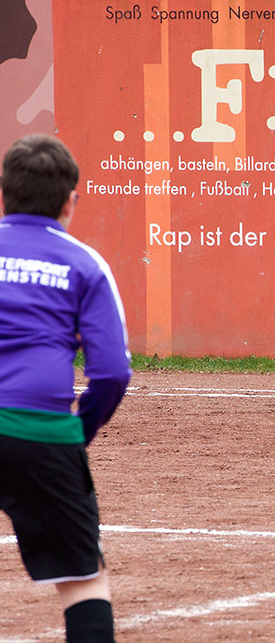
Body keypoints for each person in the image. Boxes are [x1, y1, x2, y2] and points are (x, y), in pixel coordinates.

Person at [0, 135, 131, 642]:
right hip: (41, 433)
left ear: (4, 195)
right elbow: (112, 373)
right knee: (83, 579)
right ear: (69, 202)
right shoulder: (84, 264)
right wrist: (78, 433)